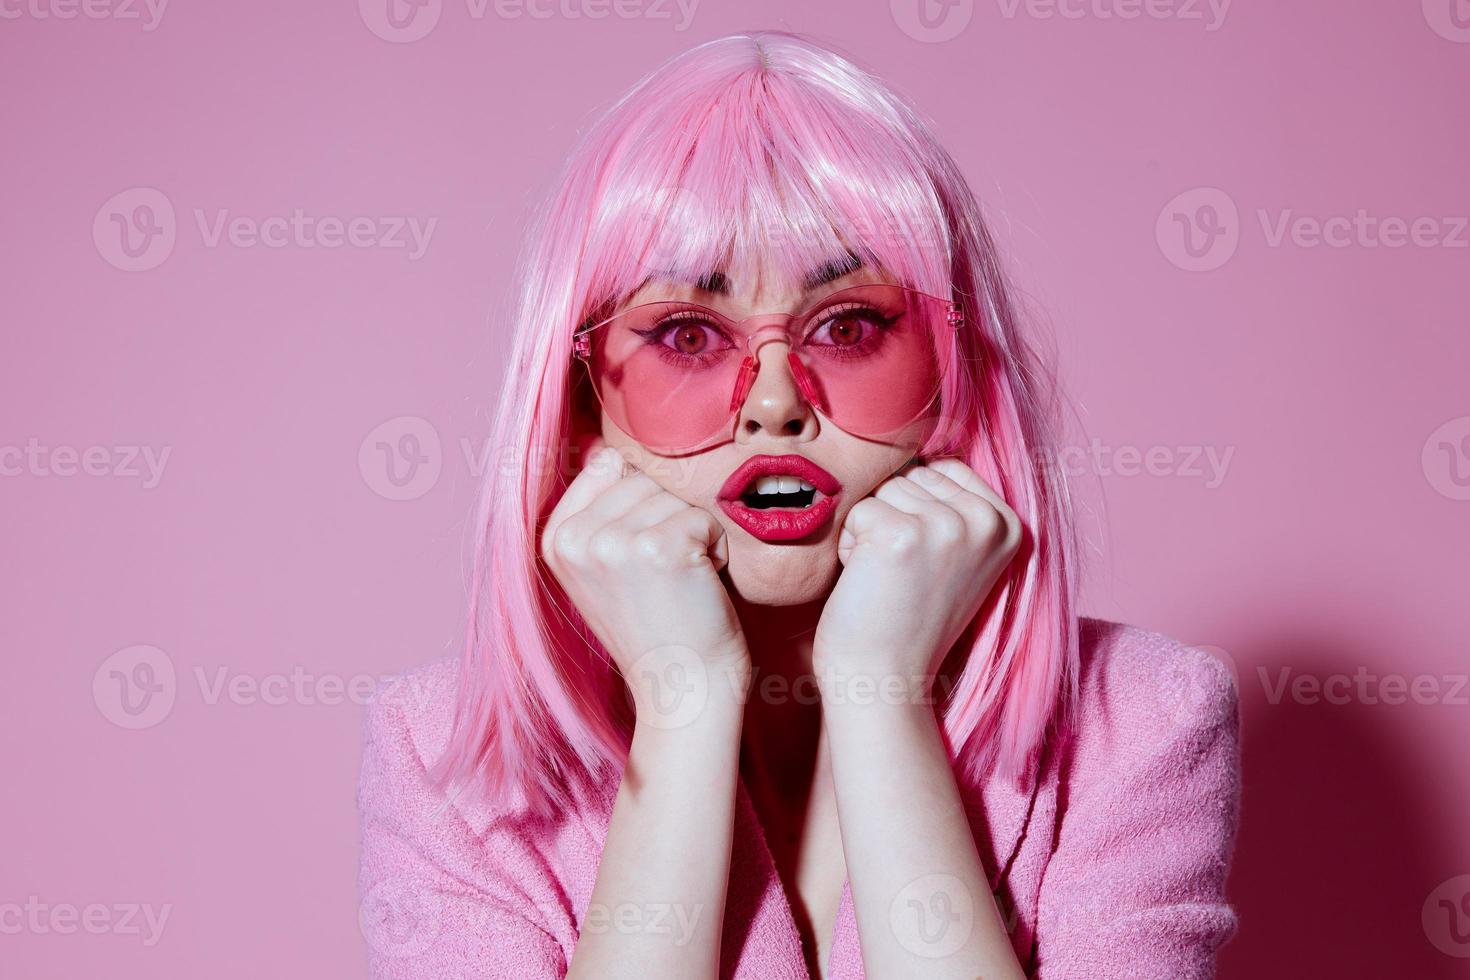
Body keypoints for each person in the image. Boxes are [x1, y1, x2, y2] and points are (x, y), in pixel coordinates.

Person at [357, 30, 1240, 980]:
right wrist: (682, 701)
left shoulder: (1143, 720)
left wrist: (881, 694)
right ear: (581, 406)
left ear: (954, 376)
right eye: (687, 335)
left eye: (850, 326)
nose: (774, 402)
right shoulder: (440, 754)